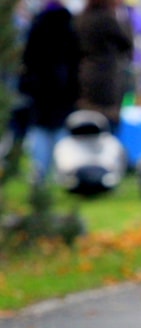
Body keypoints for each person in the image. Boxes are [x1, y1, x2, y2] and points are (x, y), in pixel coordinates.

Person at [18, 0, 80, 187]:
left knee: (40, 132)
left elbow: (28, 58)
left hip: (40, 89)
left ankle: (40, 173)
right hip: (63, 89)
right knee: (60, 131)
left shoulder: (37, 25)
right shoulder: (69, 26)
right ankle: (61, 174)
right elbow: (75, 60)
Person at [75, 0, 134, 134]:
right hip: (106, 81)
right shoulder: (107, 19)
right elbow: (127, 43)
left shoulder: (81, 18)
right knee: (108, 128)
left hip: (84, 79)